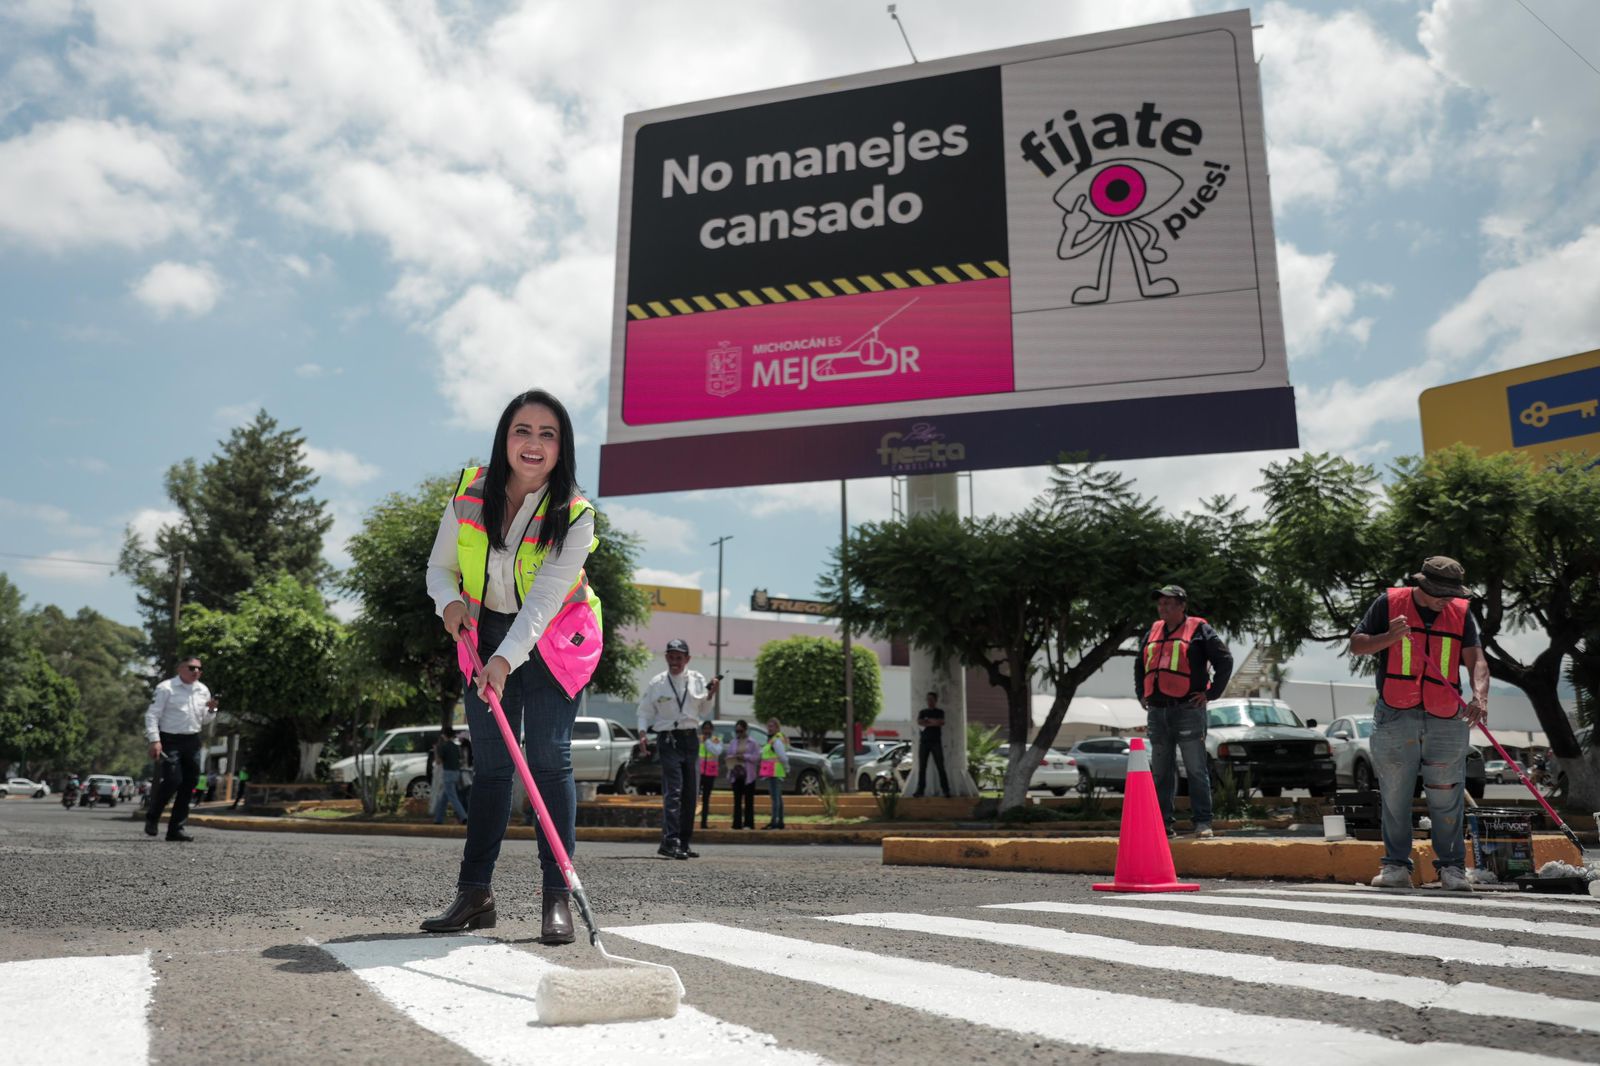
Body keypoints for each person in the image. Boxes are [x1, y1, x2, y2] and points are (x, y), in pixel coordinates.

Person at [419, 389, 604, 945]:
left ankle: (557, 899)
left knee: (549, 762)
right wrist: (447, 603)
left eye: (548, 434)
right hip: (486, 630)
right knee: (494, 768)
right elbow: (439, 567)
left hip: (552, 638)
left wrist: (503, 660)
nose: (534, 443)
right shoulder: (470, 490)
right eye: (523, 430)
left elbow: (545, 599)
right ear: (505, 437)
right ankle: (475, 894)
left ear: (561, 447)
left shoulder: (574, 514)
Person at [1349, 557, 1489, 892]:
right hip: (1396, 712)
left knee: (1447, 793)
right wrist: (1389, 637)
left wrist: (1480, 697)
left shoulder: (1460, 611)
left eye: (1451, 592)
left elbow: (1477, 659)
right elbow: (1357, 645)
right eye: (1441, 591)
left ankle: (1452, 869)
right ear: (1422, 584)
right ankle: (1396, 867)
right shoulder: (1389, 603)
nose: (1446, 598)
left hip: (1445, 714)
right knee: (1395, 793)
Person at [1134, 584, 1233, 840]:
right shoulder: (1153, 630)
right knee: (1161, 771)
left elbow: (1225, 660)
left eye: (1168, 603)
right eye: (1160, 603)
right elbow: (1139, 663)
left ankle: (1202, 822)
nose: (1163, 607)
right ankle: (1163, 825)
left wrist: (1210, 694)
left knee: (1195, 768)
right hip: (1158, 711)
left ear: (1182, 606)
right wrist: (1141, 694)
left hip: (1188, 709)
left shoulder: (1199, 629)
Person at [636, 638, 719, 859]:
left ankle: (684, 841)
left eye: (679, 657)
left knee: (691, 793)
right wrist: (643, 732)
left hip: (691, 739)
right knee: (674, 791)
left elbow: (703, 709)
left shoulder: (697, 680)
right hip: (668, 740)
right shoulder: (657, 683)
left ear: (687, 659)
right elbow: (644, 711)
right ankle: (669, 841)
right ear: (666, 658)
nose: (675, 661)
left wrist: (711, 694)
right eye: (671, 657)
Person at [143, 654, 219, 842]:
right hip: (170, 739)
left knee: (189, 783)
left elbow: (205, 719)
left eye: (199, 669)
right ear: (180, 669)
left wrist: (211, 709)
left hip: (192, 739)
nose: (196, 672)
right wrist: (155, 740)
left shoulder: (202, 690)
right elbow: (152, 715)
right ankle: (153, 816)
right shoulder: (166, 688)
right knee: (172, 780)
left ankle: (176, 828)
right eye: (192, 668)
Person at [912, 692, 951, 798]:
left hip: (935, 742)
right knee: (922, 767)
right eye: (928, 699)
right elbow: (920, 722)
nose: (929, 702)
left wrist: (928, 721)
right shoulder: (923, 712)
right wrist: (931, 722)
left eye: (932, 699)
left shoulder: (939, 712)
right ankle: (920, 790)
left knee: (940, 766)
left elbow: (940, 722)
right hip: (924, 743)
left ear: (935, 700)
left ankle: (946, 790)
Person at [725, 720, 761, 830]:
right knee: (737, 800)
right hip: (736, 774)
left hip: (748, 775)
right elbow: (729, 754)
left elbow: (756, 757)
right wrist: (731, 758)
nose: (739, 733)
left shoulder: (753, 742)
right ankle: (736, 824)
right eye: (737, 731)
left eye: (740, 731)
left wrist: (744, 757)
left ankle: (749, 824)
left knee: (749, 800)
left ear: (746, 730)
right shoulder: (733, 742)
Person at [431, 727, 469, 826]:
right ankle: (438, 819)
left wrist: (435, 750)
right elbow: (461, 760)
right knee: (444, 797)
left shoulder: (444, 746)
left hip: (448, 773)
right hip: (456, 773)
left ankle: (464, 817)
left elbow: (438, 761)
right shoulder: (456, 746)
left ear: (444, 735)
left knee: (452, 797)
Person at [758, 716, 790, 829]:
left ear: (777, 727)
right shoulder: (772, 740)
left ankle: (775, 821)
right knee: (778, 798)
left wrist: (786, 768)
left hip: (776, 772)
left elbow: (782, 756)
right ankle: (779, 821)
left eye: (771, 726)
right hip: (772, 772)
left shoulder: (776, 740)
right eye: (768, 726)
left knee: (775, 798)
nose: (769, 728)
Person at [697, 720, 723, 831]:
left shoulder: (715, 740)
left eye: (709, 728)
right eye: (705, 728)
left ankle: (704, 823)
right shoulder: (698, 740)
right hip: (698, 773)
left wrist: (707, 742)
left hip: (710, 773)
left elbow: (717, 752)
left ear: (712, 730)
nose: (707, 731)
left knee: (706, 799)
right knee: (693, 798)